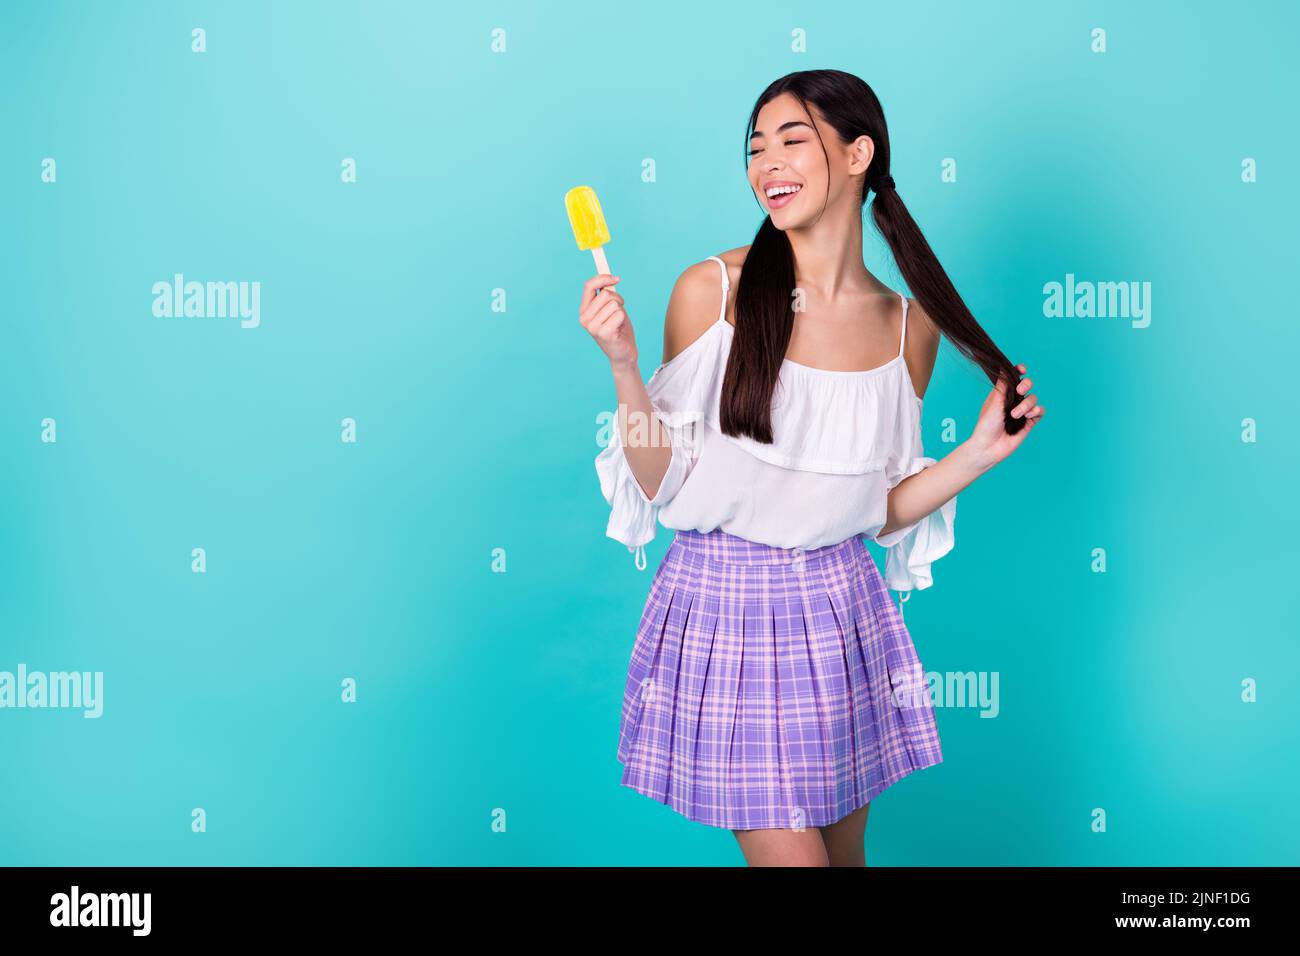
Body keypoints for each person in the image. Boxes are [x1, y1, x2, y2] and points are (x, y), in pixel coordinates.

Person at [579, 69, 1045, 867]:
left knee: (846, 860)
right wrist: (624, 367)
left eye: (793, 140)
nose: (768, 164)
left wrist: (977, 455)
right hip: (726, 611)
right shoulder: (713, 291)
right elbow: (661, 484)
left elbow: (871, 510)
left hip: (840, 613)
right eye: (756, 147)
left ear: (858, 153)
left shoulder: (909, 327)